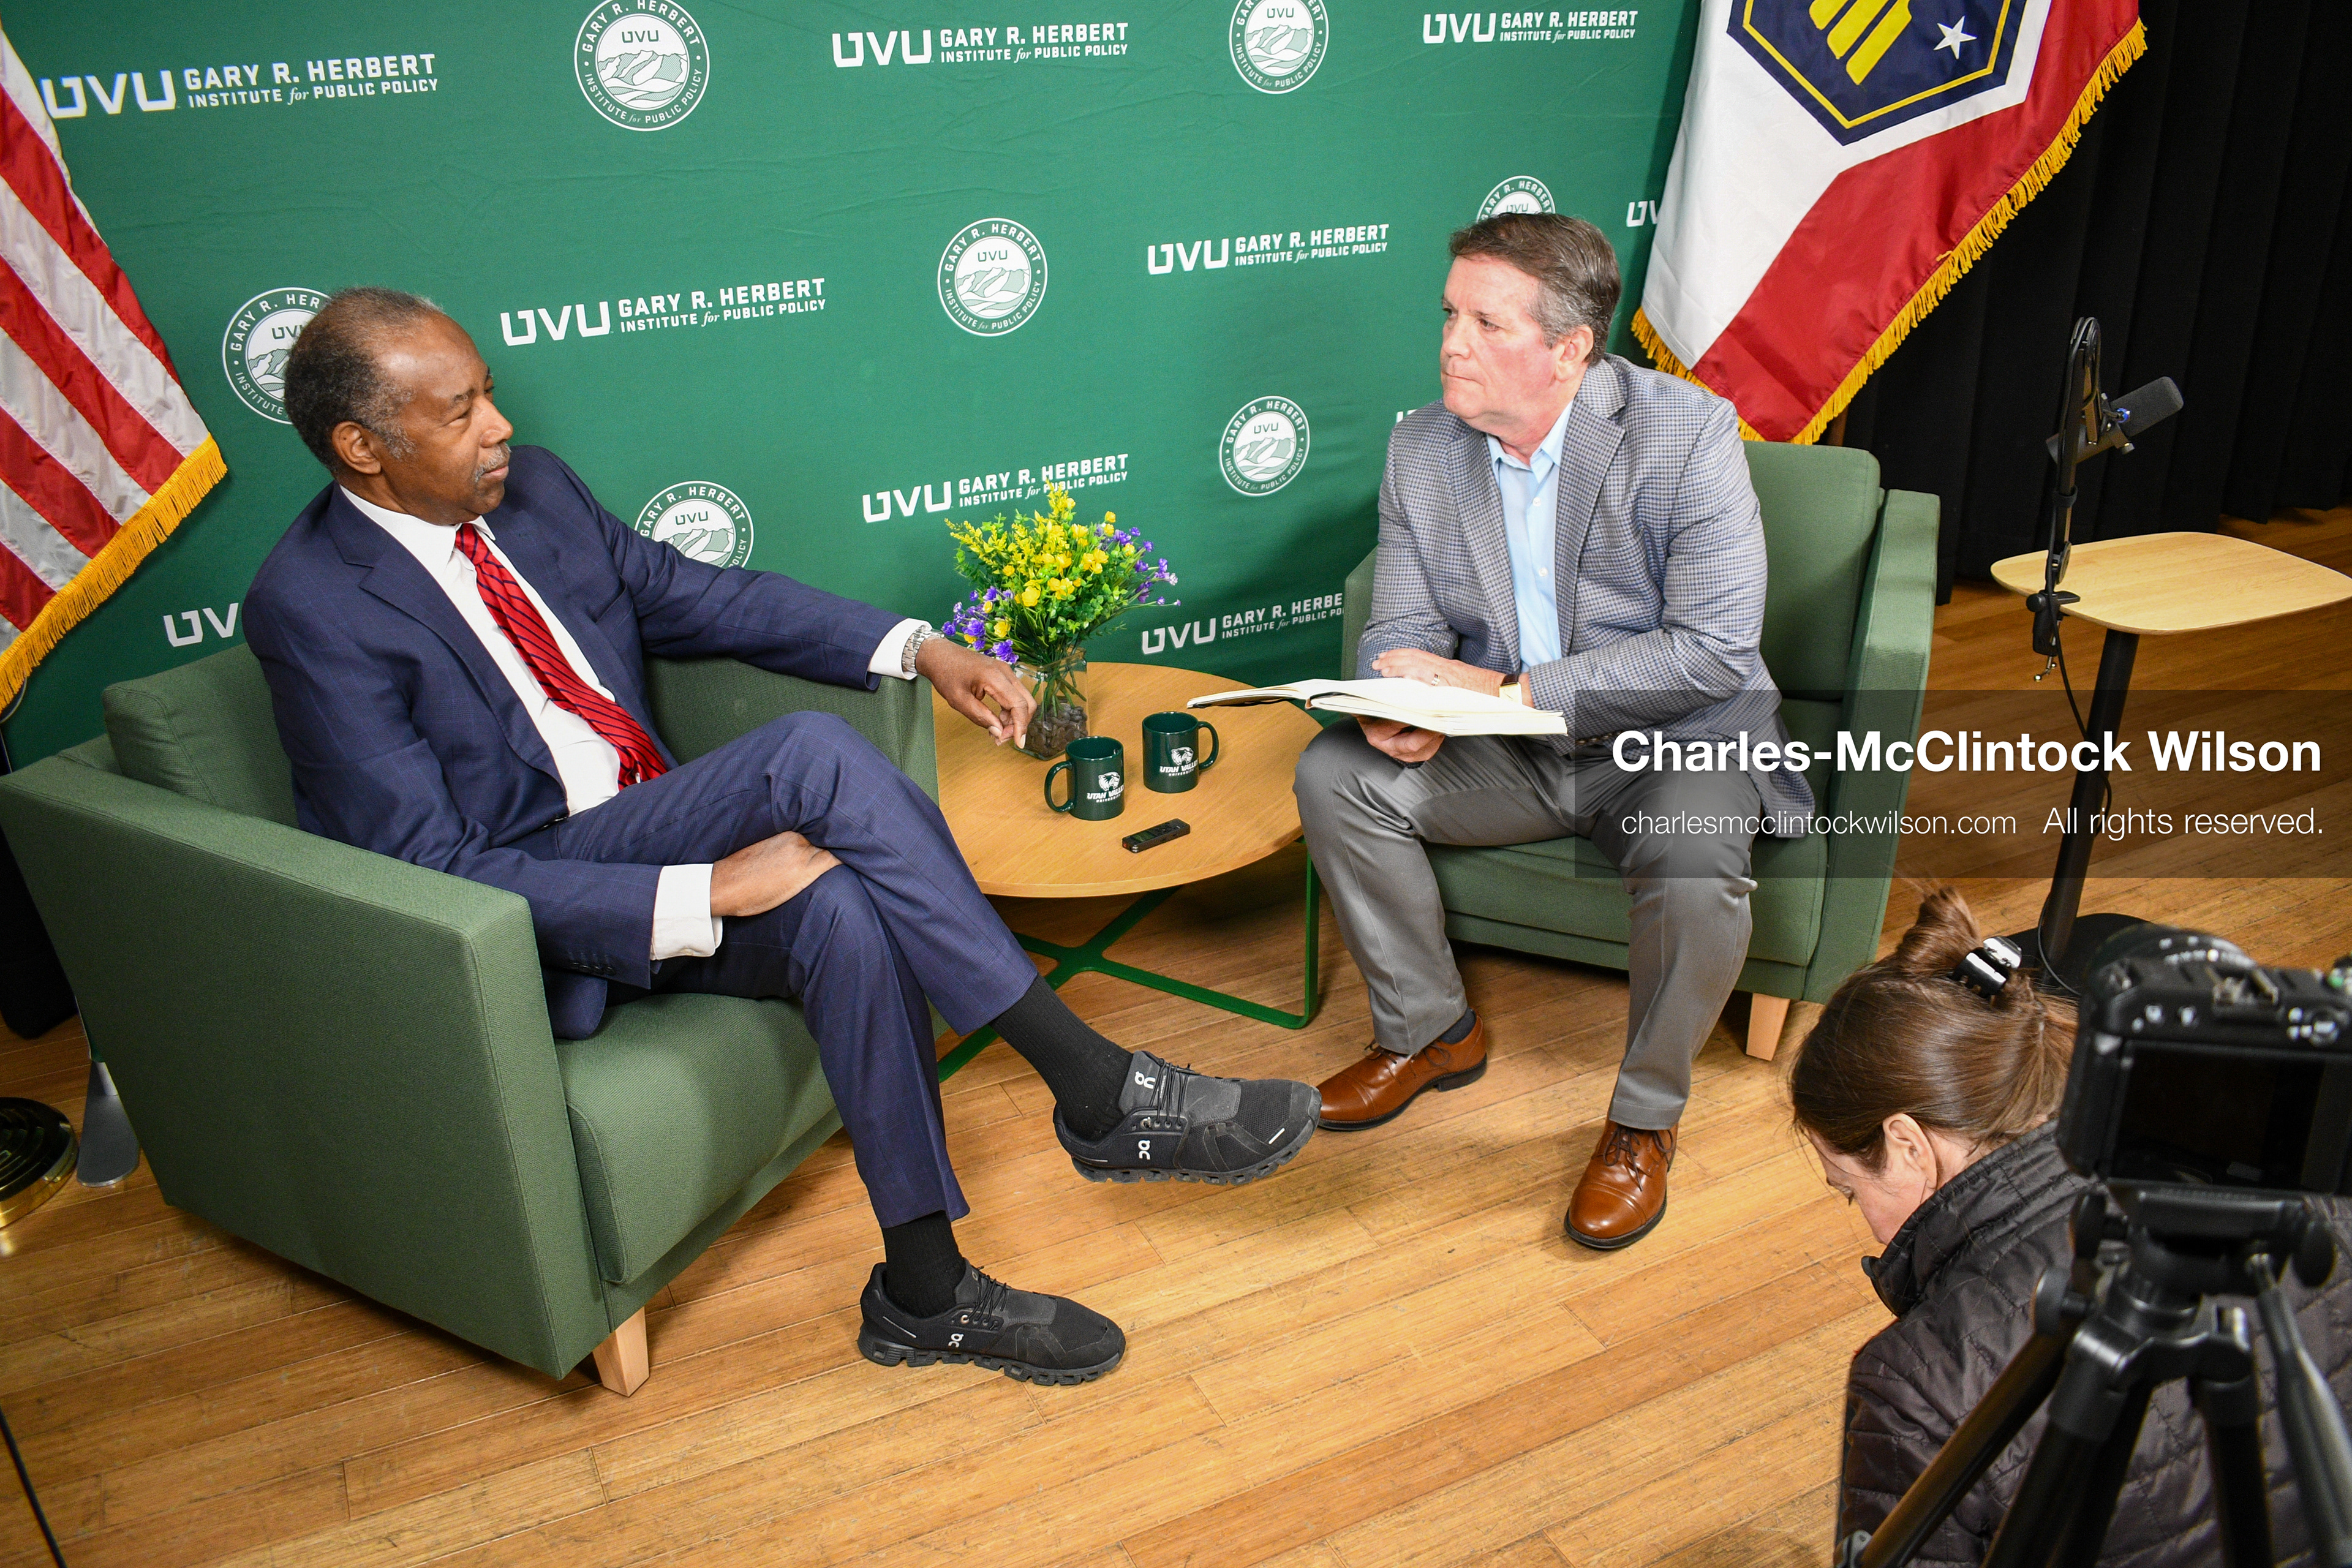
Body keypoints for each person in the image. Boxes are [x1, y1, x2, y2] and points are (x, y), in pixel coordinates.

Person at [244, 287, 1319, 1386]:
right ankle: (1095, 1089)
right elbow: (436, 869)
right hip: (535, 886)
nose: (499, 426)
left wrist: (919, 649)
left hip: (643, 824)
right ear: (361, 446)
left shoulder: (538, 496)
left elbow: (703, 597)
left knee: (840, 908)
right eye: (460, 410)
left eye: (491, 396)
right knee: (807, 753)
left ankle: (923, 1292)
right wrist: (704, 893)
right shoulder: (313, 605)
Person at [1294, 212, 1809, 1250]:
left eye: (1487, 323)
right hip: (1510, 749)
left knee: (1699, 847)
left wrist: (1501, 692)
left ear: (1569, 349)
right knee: (1334, 775)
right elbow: (1396, 623)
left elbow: (1711, 649)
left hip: (1678, 739)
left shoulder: (1687, 432)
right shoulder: (1420, 445)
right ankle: (1431, 1031)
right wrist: (1398, 700)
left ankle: (1642, 1123)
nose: (1451, 344)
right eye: (1449, 314)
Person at [1790, 886, 2352, 1566]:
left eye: (1851, 1191)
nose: (1875, 1232)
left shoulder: (1918, 1384)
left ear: (1910, 1144)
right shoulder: (2313, 1221)